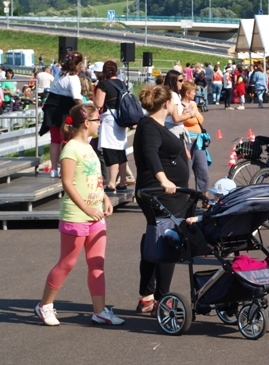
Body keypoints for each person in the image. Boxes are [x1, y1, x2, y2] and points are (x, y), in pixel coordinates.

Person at [35, 103, 124, 326]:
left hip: (96, 217)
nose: (99, 124)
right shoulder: (71, 149)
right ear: (86, 123)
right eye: (97, 120)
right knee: (67, 263)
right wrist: (86, 208)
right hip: (76, 216)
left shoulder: (90, 147)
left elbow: (95, 179)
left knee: (97, 264)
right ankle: (44, 306)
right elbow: (67, 183)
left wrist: (104, 198)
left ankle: (99, 311)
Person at [133, 84, 192, 314]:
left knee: (155, 239)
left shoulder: (156, 125)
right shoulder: (149, 126)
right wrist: (163, 179)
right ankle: (161, 297)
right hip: (160, 193)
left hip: (167, 194)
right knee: (167, 240)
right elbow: (150, 153)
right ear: (167, 104)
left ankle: (148, 296)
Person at [40, 52, 85, 176]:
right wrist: (84, 110)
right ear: (79, 64)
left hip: (51, 107)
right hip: (64, 109)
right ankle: (65, 169)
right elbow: (76, 98)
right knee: (66, 139)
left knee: (55, 139)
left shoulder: (59, 73)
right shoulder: (73, 78)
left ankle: (54, 169)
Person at [93, 61, 130, 194]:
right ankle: (123, 183)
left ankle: (111, 183)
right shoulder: (122, 83)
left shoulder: (103, 84)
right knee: (121, 150)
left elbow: (98, 104)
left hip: (110, 119)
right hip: (121, 117)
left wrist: (94, 95)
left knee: (110, 150)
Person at [180, 81, 210, 193]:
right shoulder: (179, 106)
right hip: (187, 140)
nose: (195, 94)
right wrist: (188, 113)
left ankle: (203, 195)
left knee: (203, 170)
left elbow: (199, 119)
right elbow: (181, 122)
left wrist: (192, 110)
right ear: (187, 93)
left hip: (199, 141)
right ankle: (183, 195)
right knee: (186, 171)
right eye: (193, 92)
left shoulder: (193, 104)